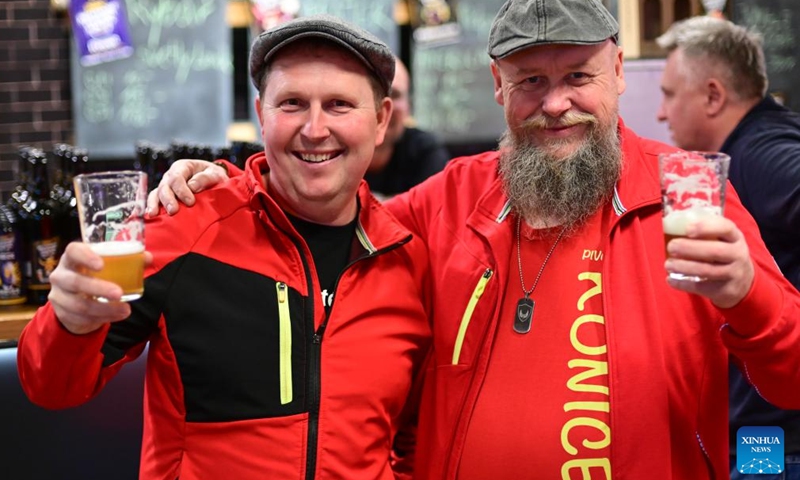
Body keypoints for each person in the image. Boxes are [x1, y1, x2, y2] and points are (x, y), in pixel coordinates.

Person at [151, 1, 800, 478]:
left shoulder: (686, 191)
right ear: (498, 85)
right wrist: (229, 186)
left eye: (578, 76)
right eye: (530, 81)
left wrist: (747, 296)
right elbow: (322, 208)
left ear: (620, 71)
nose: (555, 104)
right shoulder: (447, 200)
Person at [16, 15, 431, 480]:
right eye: (292, 103)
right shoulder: (184, 225)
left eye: (339, 105)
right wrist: (69, 324)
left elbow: (412, 440)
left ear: (381, 121)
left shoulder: (406, 258)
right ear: (261, 115)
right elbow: (52, 387)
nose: (315, 129)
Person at [656, 16, 800, 479]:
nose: (661, 113)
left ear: (714, 95)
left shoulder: (762, 153)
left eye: (670, 94)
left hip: (774, 441)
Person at [364, 57, 450, 198]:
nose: (385, 108)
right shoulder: (337, 153)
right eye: (376, 94)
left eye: (394, 95)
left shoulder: (425, 152)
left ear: (408, 106)